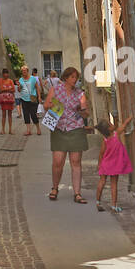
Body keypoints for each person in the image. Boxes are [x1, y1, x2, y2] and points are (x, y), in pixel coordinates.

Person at [44, 65, 90, 203]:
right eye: (72, 77)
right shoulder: (55, 90)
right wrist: (52, 106)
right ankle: (55, 188)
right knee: (58, 161)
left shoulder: (80, 93)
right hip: (59, 128)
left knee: (76, 162)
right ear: (66, 77)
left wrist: (81, 110)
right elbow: (46, 105)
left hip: (75, 128)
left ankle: (77, 193)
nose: (75, 80)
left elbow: (86, 112)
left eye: (76, 77)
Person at [95, 115, 134, 212]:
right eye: (110, 124)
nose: (113, 124)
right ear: (109, 128)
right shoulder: (116, 134)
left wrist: (99, 164)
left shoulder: (105, 140)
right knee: (114, 184)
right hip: (115, 165)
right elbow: (124, 125)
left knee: (102, 182)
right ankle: (113, 206)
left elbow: (101, 153)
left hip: (105, 164)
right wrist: (129, 118)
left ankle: (98, 202)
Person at [18, 65, 43, 137]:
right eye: (22, 71)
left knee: (33, 114)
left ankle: (38, 128)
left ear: (28, 71)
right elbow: (19, 90)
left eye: (25, 71)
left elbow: (37, 88)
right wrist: (19, 86)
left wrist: (39, 97)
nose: (23, 72)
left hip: (33, 98)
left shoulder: (33, 79)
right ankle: (28, 130)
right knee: (26, 115)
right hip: (24, 99)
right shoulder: (21, 80)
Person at [0, 68, 16, 134]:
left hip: (10, 100)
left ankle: (10, 129)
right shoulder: (1, 80)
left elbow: (13, 89)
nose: (5, 75)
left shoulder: (10, 81)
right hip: (3, 100)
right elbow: (1, 89)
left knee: (10, 114)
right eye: (4, 74)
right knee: (3, 114)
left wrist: (5, 89)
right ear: (2, 74)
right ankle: (3, 129)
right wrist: (8, 89)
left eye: (6, 73)